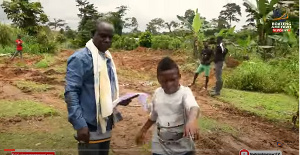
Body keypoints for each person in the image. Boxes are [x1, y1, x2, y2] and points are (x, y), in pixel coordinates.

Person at [64, 21, 134, 155]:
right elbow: (71, 93)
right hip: (88, 125)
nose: (107, 40)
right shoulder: (80, 59)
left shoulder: (107, 59)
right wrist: (80, 124)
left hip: (105, 124)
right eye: (102, 36)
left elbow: (104, 91)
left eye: (110, 37)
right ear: (93, 35)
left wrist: (118, 101)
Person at [135, 57, 200, 155]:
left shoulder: (185, 92)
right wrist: (143, 130)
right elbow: (154, 115)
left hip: (183, 149)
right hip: (161, 148)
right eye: (164, 81)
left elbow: (193, 107)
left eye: (173, 80)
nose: (169, 84)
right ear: (158, 79)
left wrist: (192, 121)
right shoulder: (157, 93)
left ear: (179, 77)